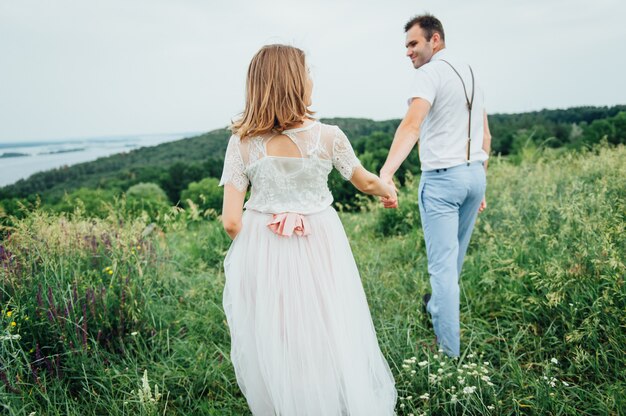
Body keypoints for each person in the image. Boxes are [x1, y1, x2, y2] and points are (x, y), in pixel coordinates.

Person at [219, 44, 397, 415]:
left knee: (277, 334)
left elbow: (231, 221)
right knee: (327, 326)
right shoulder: (329, 136)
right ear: (296, 83)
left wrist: (262, 244)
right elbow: (363, 181)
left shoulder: (241, 143)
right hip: (321, 245)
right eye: (308, 72)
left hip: (263, 249)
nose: (312, 79)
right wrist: (387, 188)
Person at [380, 14, 492, 357]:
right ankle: (436, 308)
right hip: (475, 175)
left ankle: (449, 356)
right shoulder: (471, 72)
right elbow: (485, 134)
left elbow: (411, 126)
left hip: (443, 180)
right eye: (407, 45)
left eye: (414, 44)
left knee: (443, 270)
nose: (408, 52)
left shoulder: (430, 74)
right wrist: (481, 183)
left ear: (435, 40)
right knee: (452, 262)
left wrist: (386, 173)